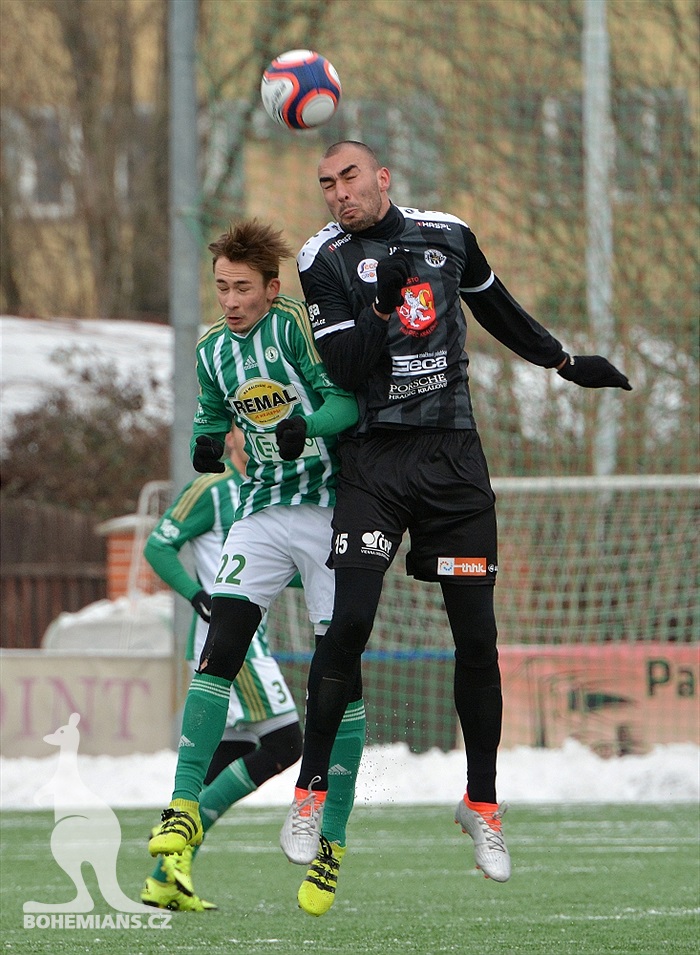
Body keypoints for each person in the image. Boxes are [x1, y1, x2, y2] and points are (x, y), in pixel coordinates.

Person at [279, 140, 632, 883]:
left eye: (349, 177)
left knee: (477, 638)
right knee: (348, 624)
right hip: (375, 462)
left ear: (382, 177)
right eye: (325, 184)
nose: (338, 193)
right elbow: (345, 368)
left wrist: (564, 363)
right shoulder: (322, 259)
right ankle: (309, 788)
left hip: (453, 460)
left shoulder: (448, 234)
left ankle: (483, 803)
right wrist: (381, 302)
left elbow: (497, 308)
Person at [147, 219, 365, 917]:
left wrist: (313, 424)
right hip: (267, 511)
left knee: (340, 677)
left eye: (244, 288)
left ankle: (329, 844)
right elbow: (210, 415)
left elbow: (345, 400)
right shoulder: (213, 348)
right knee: (222, 646)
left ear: (272, 289)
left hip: (334, 510)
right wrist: (206, 444)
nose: (231, 300)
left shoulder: (295, 326)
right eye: (222, 287)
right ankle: (184, 808)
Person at [140, 428, 302, 911]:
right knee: (285, 742)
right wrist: (197, 595)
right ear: (231, 434)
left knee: (225, 752)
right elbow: (158, 545)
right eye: (246, 426)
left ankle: (164, 875)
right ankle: (188, 837)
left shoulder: (271, 488)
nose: (258, 436)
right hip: (231, 643)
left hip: (254, 637)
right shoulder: (213, 487)